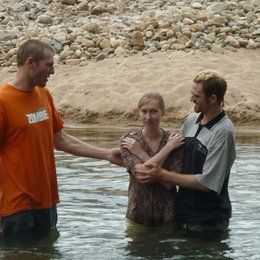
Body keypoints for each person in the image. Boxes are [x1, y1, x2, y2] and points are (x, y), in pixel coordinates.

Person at [0, 39, 122, 240]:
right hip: (15, 207)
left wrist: (107, 154)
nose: (53, 71)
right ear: (31, 63)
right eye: (49, 65)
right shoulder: (3, 101)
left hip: (47, 201)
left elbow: (61, 139)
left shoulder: (44, 94)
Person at [134, 70, 236, 232]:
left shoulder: (223, 132)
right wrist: (134, 153)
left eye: (196, 96)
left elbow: (207, 183)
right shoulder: (192, 120)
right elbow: (172, 152)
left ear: (213, 99)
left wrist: (163, 175)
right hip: (184, 214)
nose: (191, 99)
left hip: (208, 221)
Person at [120, 92, 185, 226]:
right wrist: (168, 148)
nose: (148, 117)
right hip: (137, 215)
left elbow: (171, 183)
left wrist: (140, 153)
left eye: (153, 111)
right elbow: (141, 175)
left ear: (163, 112)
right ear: (138, 112)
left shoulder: (175, 141)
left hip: (168, 216)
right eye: (144, 112)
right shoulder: (129, 141)